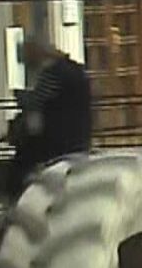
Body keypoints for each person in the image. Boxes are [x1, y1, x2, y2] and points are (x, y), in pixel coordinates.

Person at [5, 35, 92, 197]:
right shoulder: (75, 70)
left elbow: (36, 101)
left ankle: (14, 197)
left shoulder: (53, 73)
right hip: (79, 135)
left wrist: (19, 95)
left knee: (21, 161)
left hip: (58, 138)